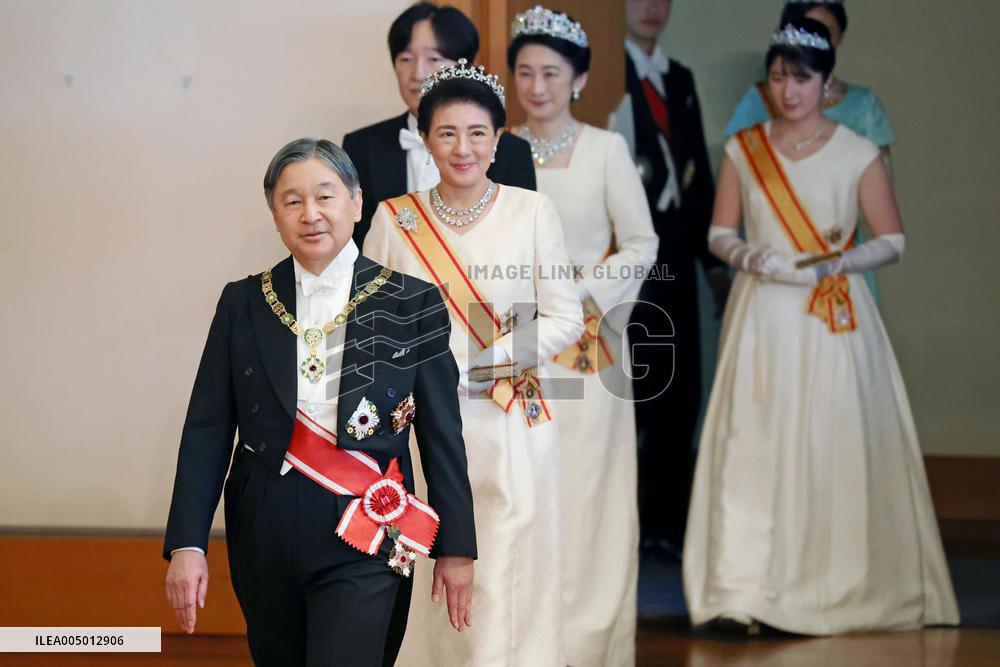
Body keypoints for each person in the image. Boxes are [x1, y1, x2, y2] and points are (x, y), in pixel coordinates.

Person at [683, 18, 960, 634]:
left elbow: (892, 238)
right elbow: (719, 232)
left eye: (801, 79)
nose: (787, 91)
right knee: (751, 444)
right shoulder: (744, 149)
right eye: (778, 78)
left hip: (829, 311)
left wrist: (838, 261)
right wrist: (749, 255)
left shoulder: (857, 152)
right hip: (762, 313)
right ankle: (742, 591)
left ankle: (832, 587)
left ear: (826, 83)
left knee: (829, 443)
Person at [163, 138, 478, 665]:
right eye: (292, 201)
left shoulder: (412, 300)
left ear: (356, 204)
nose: (310, 214)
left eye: (325, 196)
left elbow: (443, 434)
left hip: (368, 523)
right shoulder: (243, 302)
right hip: (263, 527)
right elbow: (208, 429)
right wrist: (188, 544)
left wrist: (457, 547)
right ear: (276, 216)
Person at [364, 59, 584, 666]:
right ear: (426, 138)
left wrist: (486, 362)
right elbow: (373, 326)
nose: (463, 148)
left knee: (508, 570)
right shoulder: (393, 218)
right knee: (438, 569)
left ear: (499, 139)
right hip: (426, 431)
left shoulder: (531, 211)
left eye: (478, 133)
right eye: (447, 134)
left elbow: (566, 318)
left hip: (509, 420)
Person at [508, 7, 657, 666]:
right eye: (524, 72)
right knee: (520, 485)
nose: (536, 86)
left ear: (579, 79)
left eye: (551, 73)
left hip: (591, 345)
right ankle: (519, 634)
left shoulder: (606, 150)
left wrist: (582, 297)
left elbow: (643, 242)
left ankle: (587, 636)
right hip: (513, 342)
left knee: (587, 490)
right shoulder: (496, 146)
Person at [615, 0, 729, 555]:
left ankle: (668, 520)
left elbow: (699, 178)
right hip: (626, 254)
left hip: (678, 252)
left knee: (679, 386)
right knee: (630, 383)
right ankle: (630, 520)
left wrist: (714, 265)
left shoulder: (677, 77)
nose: (652, 8)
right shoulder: (606, 71)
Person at [726, 0, 894, 305]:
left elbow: (879, 196)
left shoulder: (863, 104)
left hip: (838, 257)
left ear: (839, 37)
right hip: (772, 262)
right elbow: (739, 179)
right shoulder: (761, 99)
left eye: (827, 32)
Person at [343, 2, 535, 248]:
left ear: (467, 66)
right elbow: (351, 246)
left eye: (434, 58)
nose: (418, 73)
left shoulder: (512, 152)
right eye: (406, 58)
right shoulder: (361, 147)